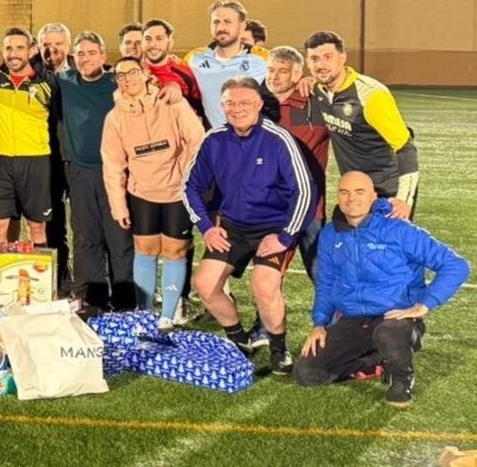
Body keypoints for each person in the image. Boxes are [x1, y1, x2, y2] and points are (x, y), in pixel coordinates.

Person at [297, 172, 468, 407]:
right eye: (344, 192)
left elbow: (456, 265)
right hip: (354, 319)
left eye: (359, 192)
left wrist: (424, 305)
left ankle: (402, 379)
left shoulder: (399, 229)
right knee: (307, 373)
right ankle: (377, 360)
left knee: (388, 333)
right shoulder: (330, 235)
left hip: (395, 317)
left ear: (373, 196)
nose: (351, 199)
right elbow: (326, 282)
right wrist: (319, 324)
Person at [184, 78, 316, 374]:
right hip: (232, 227)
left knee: (264, 285)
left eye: (245, 103)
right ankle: (239, 339)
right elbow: (190, 186)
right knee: (206, 285)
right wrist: (206, 227)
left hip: (273, 228)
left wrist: (285, 237)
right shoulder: (213, 139)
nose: (237, 108)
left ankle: (278, 349)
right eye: (231, 103)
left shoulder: (277, 138)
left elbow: (305, 190)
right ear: (222, 106)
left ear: (258, 106)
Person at [102, 57, 206, 325]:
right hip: (142, 193)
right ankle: (145, 313)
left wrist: (187, 175)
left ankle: (168, 315)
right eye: (120, 75)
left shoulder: (172, 103)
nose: (127, 79)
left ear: (146, 73)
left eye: (132, 72)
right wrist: (119, 206)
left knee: (175, 251)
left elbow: (197, 140)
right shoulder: (114, 117)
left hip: (176, 192)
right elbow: (113, 164)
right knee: (145, 250)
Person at [54, 33, 134, 310]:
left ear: (103, 56)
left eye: (91, 52)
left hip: (115, 173)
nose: (85, 58)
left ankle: (125, 300)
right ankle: (92, 298)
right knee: (86, 237)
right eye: (80, 54)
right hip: (80, 173)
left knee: (119, 237)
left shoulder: (117, 84)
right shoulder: (65, 82)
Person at [305, 30, 419, 217]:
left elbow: (406, 148)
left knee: (387, 245)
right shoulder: (318, 90)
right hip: (354, 189)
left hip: (386, 190)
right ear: (308, 62)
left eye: (328, 57)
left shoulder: (371, 95)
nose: (321, 65)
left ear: (343, 58)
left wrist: (404, 200)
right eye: (315, 59)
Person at [266, 45, 329, 278]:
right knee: (269, 273)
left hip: (311, 206)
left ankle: (339, 316)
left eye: (282, 71)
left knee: (320, 271)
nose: (274, 76)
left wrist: (317, 82)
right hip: (272, 205)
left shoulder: (315, 103)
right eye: (270, 70)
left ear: (296, 74)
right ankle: (266, 317)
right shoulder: (258, 105)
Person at [0, 28, 54, 245]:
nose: (13, 53)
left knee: (36, 227)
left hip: (36, 160)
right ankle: (1, 278)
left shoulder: (47, 84)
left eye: (19, 48)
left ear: (32, 51)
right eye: (8, 48)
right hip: (0, 161)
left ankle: (39, 279)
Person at [188, 0, 268, 128]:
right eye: (216, 22)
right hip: (213, 140)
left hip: (252, 139)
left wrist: (305, 80)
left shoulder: (259, 61)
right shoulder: (195, 60)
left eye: (227, 22)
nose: (221, 28)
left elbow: (288, 76)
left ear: (242, 27)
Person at [36, 22, 74, 284]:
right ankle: (60, 274)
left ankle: (94, 278)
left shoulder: (85, 71)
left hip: (79, 158)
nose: (52, 50)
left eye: (58, 44)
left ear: (68, 46)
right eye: (46, 45)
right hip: (46, 159)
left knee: (86, 222)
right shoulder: (33, 74)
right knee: (52, 221)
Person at [141, 18, 203, 120]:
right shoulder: (133, 70)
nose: (152, 44)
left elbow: (198, 114)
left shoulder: (184, 73)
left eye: (159, 38)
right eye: (148, 39)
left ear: (170, 43)